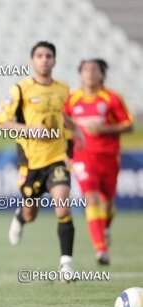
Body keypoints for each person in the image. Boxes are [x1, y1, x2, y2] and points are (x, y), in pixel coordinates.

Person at [0, 41, 84, 280]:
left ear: (54, 60)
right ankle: (20, 217)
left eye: (49, 56)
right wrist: (28, 129)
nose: (44, 59)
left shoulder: (64, 89)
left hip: (56, 159)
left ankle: (66, 265)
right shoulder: (20, 89)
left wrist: (76, 131)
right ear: (32, 61)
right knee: (31, 213)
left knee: (62, 202)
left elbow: (64, 116)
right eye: (40, 56)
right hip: (31, 163)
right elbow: (1, 120)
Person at [64, 58, 133, 265]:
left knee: (108, 204)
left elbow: (128, 125)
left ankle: (105, 228)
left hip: (109, 157)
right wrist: (67, 154)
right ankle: (101, 250)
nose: (90, 73)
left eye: (95, 70)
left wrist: (104, 129)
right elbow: (63, 126)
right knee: (91, 199)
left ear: (102, 74)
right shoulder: (72, 99)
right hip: (83, 157)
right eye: (86, 69)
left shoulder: (111, 98)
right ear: (80, 74)